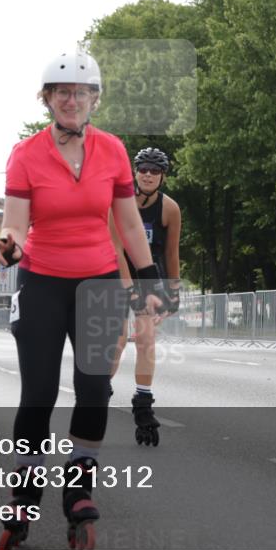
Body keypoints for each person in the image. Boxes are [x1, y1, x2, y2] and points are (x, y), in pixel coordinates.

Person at [0, 49, 173, 550]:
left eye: (81, 92)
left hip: (97, 280)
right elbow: (15, 223)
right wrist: (7, 245)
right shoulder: (25, 154)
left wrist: (150, 280)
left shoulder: (114, 151)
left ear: (95, 98)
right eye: (62, 92)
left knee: (94, 388)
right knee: (39, 393)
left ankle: (79, 491)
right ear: (47, 99)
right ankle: (24, 497)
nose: (72, 101)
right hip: (41, 281)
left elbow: (129, 223)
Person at [110, 147, 182, 447]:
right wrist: (129, 290)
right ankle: (99, 392)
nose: (148, 175)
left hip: (150, 276)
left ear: (162, 176)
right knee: (116, 341)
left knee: (146, 339)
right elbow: (116, 249)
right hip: (115, 273)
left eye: (155, 170)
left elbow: (170, 252)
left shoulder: (170, 209)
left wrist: (174, 291)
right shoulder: (117, 203)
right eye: (143, 169)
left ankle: (143, 404)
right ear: (135, 173)